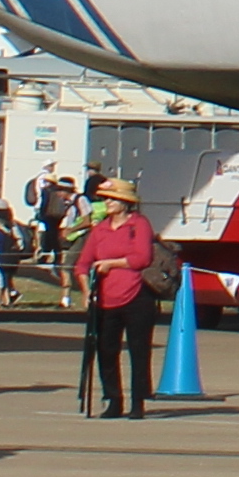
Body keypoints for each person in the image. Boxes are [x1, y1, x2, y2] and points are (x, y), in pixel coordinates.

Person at [75, 177, 158, 415]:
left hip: (137, 297)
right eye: (105, 199)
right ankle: (113, 399)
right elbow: (82, 264)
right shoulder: (99, 229)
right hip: (105, 299)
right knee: (105, 349)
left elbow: (142, 258)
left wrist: (111, 264)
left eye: (113, 199)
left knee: (139, 349)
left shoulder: (139, 224)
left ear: (125, 202)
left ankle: (138, 402)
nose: (108, 203)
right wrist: (86, 290)